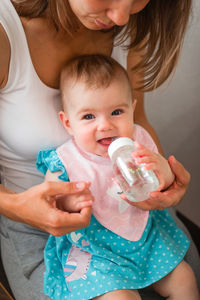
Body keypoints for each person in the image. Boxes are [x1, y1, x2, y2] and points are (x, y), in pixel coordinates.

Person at [0, 0, 199, 299]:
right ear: (66, 121)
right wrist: (18, 206)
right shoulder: (6, 33)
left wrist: (162, 178)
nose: (121, 16)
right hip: (43, 226)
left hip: (135, 216)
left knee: (187, 276)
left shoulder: (132, 23)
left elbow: (139, 123)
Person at [36, 54, 199, 300]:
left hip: (145, 239)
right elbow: (50, 200)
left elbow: (162, 183)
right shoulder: (65, 161)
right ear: (68, 122)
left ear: (132, 109)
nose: (105, 125)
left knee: (184, 278)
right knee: (122, 297)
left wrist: (163, 172)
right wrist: (69, 202)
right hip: (96, 249)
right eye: (89, 117)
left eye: (116, 112)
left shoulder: (139, 140)